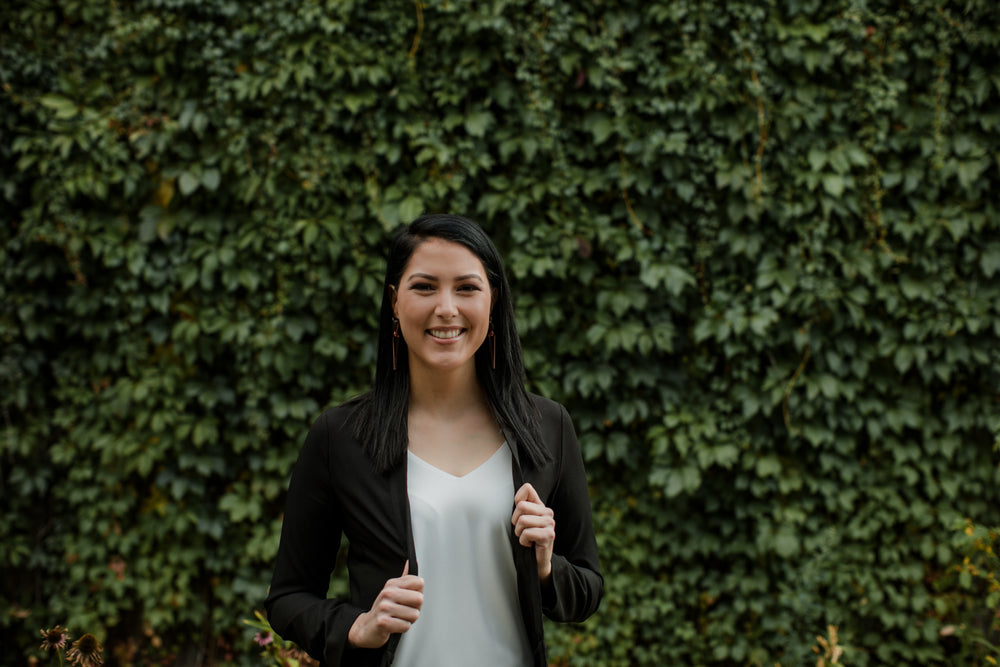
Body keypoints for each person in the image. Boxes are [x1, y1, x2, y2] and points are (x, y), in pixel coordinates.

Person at [265, 214, 603, 667]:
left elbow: (586, 589)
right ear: (394, 302)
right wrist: (357, 628)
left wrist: (545, 566)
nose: (446, 307)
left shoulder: (545, 426)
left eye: (466, 288)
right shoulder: (341, 437)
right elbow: (288, 596)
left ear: (493, 299)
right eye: (424, 287)